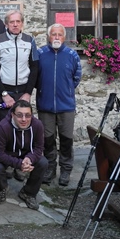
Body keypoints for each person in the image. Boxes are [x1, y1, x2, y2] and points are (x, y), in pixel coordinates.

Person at [36, 23, 82, 186]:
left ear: (64, 37)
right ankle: (50, 168)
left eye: (59, 35)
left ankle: (66, 170)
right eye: (53, 34)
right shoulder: (40, 53)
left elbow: (77, 76)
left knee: (66, 140)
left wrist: (67, 90)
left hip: (66, 106)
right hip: (45, 105)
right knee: (47, 139)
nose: (56, 37)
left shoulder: (71, 55)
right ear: (49, 36)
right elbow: (35, 77)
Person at [0, 100, 48, 210]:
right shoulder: (3, 127)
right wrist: (19, 163)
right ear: (13, 115)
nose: (24, 119)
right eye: (19, 115)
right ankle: (2, 187)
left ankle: (28, 193)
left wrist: (29, 159)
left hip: (26, 155)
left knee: (43, 162)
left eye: (27, 115)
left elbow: (39, 148)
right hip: (7, 155)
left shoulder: (37, 125)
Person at [0, 10, 40, 121]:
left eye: (18, 21)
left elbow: (34, 67)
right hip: (5, 92)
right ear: (6, 24)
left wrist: (28, 93)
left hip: (23, 92)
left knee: (22, 123)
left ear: (22, 23)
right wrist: (4, 94)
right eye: (12, 22)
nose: (15, 24)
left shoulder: (30, 41)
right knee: (6, 127)